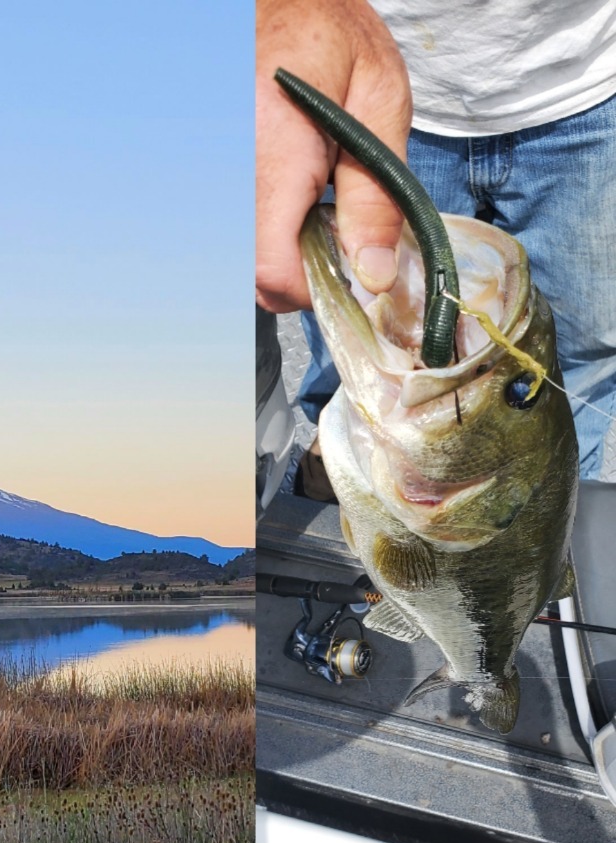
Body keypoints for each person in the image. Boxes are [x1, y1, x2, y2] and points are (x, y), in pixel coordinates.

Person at [257, 0, 616, 485]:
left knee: (582, 351)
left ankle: (558, 497)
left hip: (589, 86)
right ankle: (347, 474)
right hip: (366, 82)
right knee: (361, 339)